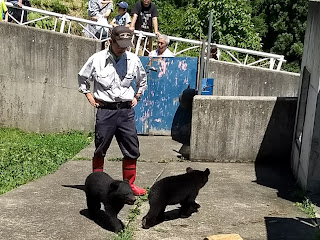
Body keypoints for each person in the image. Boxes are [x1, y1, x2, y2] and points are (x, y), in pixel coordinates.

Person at [78, 26, 147, 196]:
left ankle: (129, 186)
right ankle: (96, 186)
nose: (123, 49)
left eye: (126, 46)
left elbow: (142, 80)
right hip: (105, 111)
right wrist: (88, 95)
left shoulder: (132, 59)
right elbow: (82, 77)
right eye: (119, 45)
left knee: (132, 149)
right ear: (111, 41)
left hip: (125, 112)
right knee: (100, 148)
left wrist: (137, 96)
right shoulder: (97, 59)